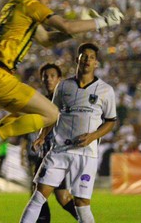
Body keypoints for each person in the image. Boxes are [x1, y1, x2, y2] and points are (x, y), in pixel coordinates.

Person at [0, 0, 123, 175]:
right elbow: (65, 25)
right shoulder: (30, 4)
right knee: (51, 114)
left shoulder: (16, 5)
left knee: (27, 113)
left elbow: (46, 40)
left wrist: (79, 29)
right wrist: (103, 21)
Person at [20, 43, 117, 223]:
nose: (87, 59)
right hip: (59, 151)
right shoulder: (63, 86)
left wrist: (93, 137)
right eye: (84, 56)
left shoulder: (106, 90)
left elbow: (111, 121)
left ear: (96, 63)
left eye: (91, 57)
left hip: (86, 154)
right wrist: (42, 135)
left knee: (81, 204)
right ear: (77, 60)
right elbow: (53, 114)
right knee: (38, 196)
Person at [22, 63, 78, 222]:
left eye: (52, 76)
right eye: (45, 76)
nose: (48, 79)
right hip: (44, 154)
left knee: (40, 194)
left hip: (58, 155)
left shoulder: (65, 101)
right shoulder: (41, 102)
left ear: (59, 79)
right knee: (62, 198)